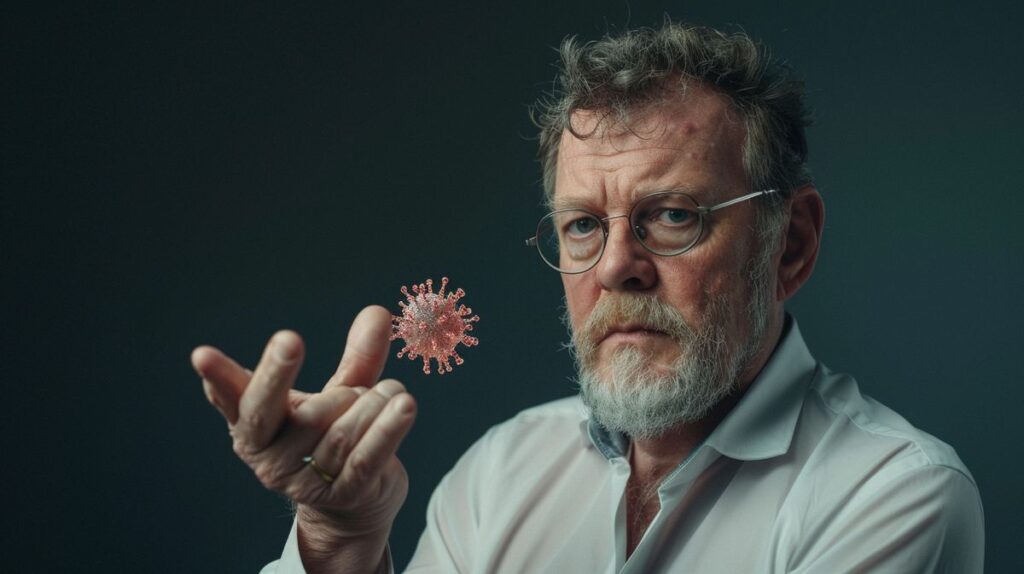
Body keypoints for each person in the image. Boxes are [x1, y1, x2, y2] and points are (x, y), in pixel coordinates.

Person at [192, 21, 984, 573]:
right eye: (580, 227)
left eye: (672, 217)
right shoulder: (500, 473)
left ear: (793, 243)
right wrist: (340, 544)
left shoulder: (892, 493)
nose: (615, 267)